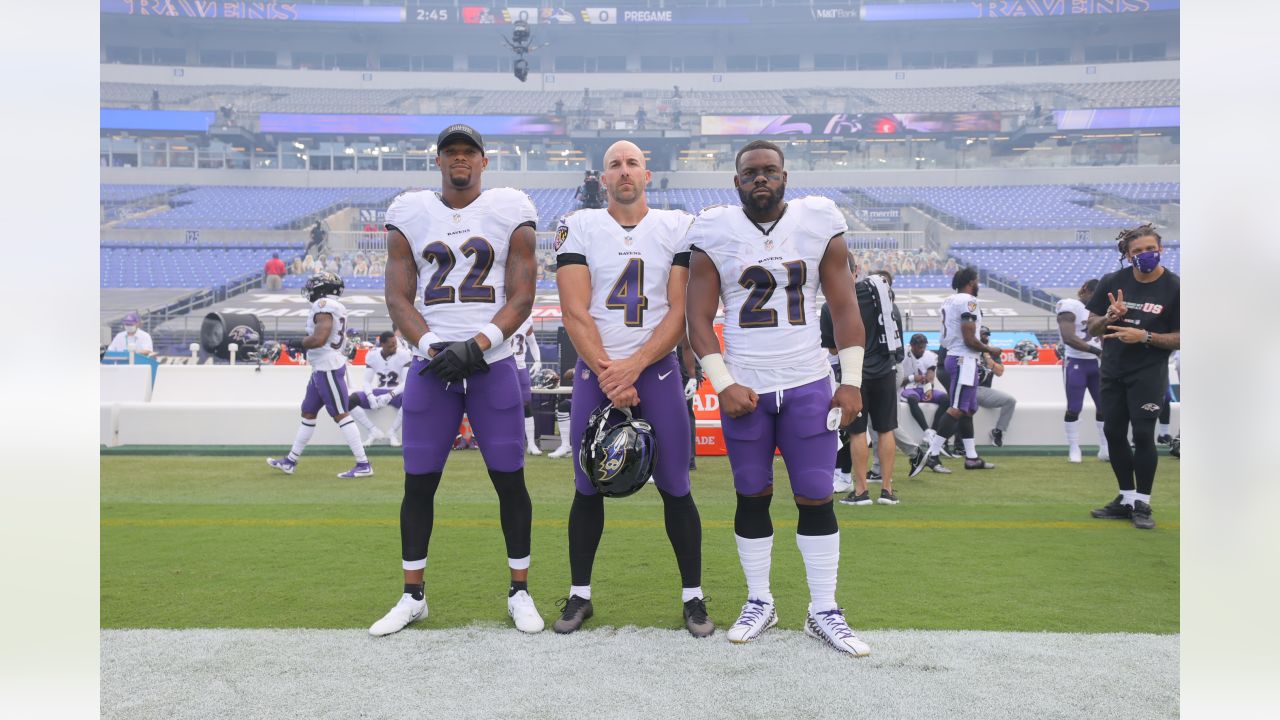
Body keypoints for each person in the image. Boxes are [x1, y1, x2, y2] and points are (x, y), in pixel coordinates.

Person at [686, 139, 872, 656]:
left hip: (808, 381)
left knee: (816, 494)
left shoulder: (817, 221)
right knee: (752, 495)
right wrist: (722, 383)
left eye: (770, 170)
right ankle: (761, 601)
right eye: (750, 172)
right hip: (745, 385)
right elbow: (696, 318)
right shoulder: (715, 230)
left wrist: (850, 378)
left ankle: (823, 610)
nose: (760, 179)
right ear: (737, 181)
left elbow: (844, 305)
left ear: (786, 177)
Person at [371, 123, 543, 636]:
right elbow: (399, 296)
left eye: (469, 152)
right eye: (451, 152)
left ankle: (520, 592)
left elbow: (523, 293)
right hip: (433, 366)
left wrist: (479, 343)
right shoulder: (411, 212)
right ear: (439, 161)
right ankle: (412, 596)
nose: (460, 159)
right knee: (419, 483)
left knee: (509, 480)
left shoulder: (510, 208)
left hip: (492, 364)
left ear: (484, 162)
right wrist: (429, 346)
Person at [553, 140, 710, 637]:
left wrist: (634, 366)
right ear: (603, 179)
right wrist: (609, 373)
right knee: (585, 486)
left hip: (657, 372)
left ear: (648, 174)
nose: (624, 172)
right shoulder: (579, 225)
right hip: (595, 373)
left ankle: (693, 597)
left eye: (632, 164)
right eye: (614, 165)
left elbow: (679, 309)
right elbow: (575, 311)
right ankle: (580, 594)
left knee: (676, 488)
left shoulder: (676, 226)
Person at [1086, 224, 1180, 530]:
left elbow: (1183, 337)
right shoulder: (1112, 281)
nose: (1145, 255)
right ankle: (1125, 498)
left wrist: (1145, 336)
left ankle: (1143, 502)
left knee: (1142, 435)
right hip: (1113, 369)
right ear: (1127, 255)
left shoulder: (1175, 287)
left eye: (1150, 249)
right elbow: (1091, 328)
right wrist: (1109, 317)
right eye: (1137, 251)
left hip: (1148, 372)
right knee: (1114, 432)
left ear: (1160, 249)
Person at [267, 272, 372, 479]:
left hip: (328, 366)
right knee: (308, 411)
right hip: (321, 367)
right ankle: (290, 461)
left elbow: (319, 339)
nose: (311, 289)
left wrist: (297, 342)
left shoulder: (323, 305)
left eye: (314, 285)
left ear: (323, 288)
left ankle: (363, 464)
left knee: (340, 413)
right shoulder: (332, 306)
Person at [822, 265, 903, 506]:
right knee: (886, 429)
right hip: (885, 371)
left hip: (853, 376)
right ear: (856, 269)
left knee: (858, 432)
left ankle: (861, 491)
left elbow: (833, 348)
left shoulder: (832, 305)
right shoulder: (884, 299)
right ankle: (887, 489)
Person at [909, 267, 999, 476]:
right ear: (970, 282)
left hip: (959, 357)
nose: (978, 285)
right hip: (963, 359)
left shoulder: (949, 300)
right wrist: (989, 349)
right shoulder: (968, 301)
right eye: (976, 281)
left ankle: (971, 457)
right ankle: (931, 455)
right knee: (957, 408)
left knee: (968, 409)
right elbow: (969, 337)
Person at [1056, 279, 1107, 463]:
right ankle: (1074, 447)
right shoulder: (1070, 306)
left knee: (1104, 407)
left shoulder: (1099, 309)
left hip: (1096, 364)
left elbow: (1103, 335)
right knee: (1074, 407)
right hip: (1076, 362)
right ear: (1086, 290)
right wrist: (1096, 351)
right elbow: (1068, 337)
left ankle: (1104, 448)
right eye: (1096, 294)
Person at [347, 331, 413, 447]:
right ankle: (373, 430)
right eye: (391, 345)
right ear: (382, 344)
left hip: (396, 392)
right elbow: (366, 381)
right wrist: (370, 396)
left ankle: (392, 432)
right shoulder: (373, 355)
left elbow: (406, 382)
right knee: (350, 400)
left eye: (395, 343)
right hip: (379, 391)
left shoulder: (403, 355)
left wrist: (390, 395)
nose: (395, 347)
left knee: (411, 400)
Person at [899, 333, 951, 473]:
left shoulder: (929, 356)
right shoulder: (903, 355)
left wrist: (928, 388)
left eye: (923, 347)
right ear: (912, 346)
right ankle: (926, 431)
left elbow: (930, 375)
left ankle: (933, 431)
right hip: (908, 389)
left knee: (946, 399)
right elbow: (898, 380)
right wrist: (912, 377)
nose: (921, 350)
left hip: (923, 389)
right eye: (919, 347)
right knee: (912, 399)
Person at [975, 326, 1017, 446]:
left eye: (987, 335)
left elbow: (999, 372)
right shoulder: (970, 349)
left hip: (983, 391)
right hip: (969, 388)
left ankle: (998, 432)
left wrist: (987, 355)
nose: (986, 337)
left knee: (1010, 401)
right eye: (983, 334)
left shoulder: (992, 352)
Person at [509, 317, 544, 455]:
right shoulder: (497, 312)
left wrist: (538, 360)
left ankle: (531, 444)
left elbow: (532, 342)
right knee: (502, 404)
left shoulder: (526, 319)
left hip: (520, 366)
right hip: (502, 366)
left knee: (526, 404)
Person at [547, 368, 575, 459]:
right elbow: (567, 374)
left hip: (592, 398)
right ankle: (566, 445)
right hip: (578, 398)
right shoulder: (582, 364)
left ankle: (572, 447)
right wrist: (576, 371)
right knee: (564, 406)